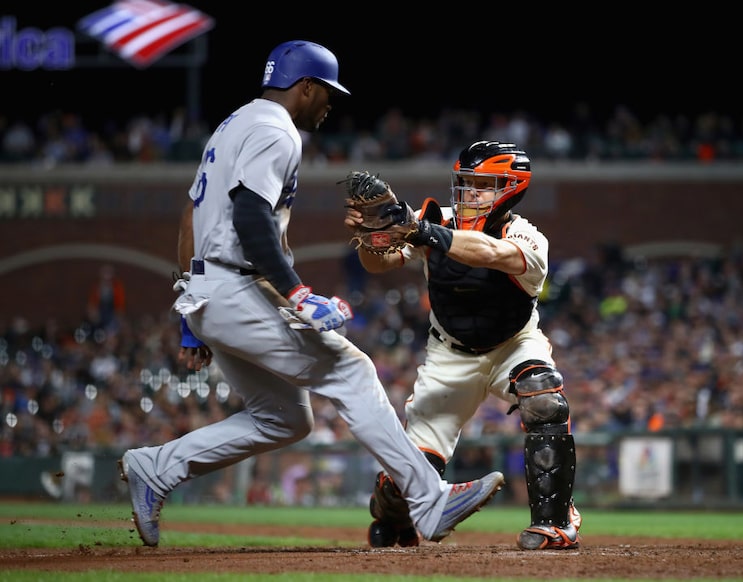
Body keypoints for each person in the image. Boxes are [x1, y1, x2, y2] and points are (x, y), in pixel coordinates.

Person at [116, 40, 504, 548]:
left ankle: (155, 468)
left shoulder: (232, 125)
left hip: (213, 290)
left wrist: (191, 312)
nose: (329, 103)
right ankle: (427, 501)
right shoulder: (276, 130)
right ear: (305, 87)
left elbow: (192, 214)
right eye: (326, 92)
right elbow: (252, 217)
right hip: (235, 285)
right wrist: (298, 294)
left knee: (284, 418)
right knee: (352, 371)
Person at [345, 140, 581, 550]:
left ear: (510, 188)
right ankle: (396, 514)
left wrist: (420, 230)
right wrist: (372, 237)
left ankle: (555, 521)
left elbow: (488, 252)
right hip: (449, 353)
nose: (469, 193)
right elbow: (378, 265)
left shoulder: (526, 236)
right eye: (465, 183)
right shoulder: (434, 221)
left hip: (514, 343)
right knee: (409, 474)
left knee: (544, 397)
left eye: (481, 185)